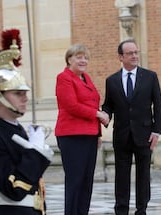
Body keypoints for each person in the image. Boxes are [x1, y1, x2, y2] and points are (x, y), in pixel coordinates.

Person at [0, 29, 53, 215]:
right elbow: (14, 188)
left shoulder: (16, 130)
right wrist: (35, 153)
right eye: (17, 94)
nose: (24, 99)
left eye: (25, 94)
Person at [101, 39, 161, 215]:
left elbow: (158, 105)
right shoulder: (111, 80)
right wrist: (105, 115)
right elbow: (108, 105)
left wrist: (156, 131)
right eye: (130, 53)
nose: (135, 56)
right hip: (121, 135)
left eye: (136, 52)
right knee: (121, 175)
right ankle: (121, 210)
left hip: (144, 134)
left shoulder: (150, 77)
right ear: (121, 57)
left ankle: (141, 209)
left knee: (143, 175)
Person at [55, 44, 108, 215]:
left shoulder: (86, 78)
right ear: (69, 59)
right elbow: (71, 106)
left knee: (86, 181)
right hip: (71, 136)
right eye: (79, 57)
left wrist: (98, 134)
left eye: (86, 57)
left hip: (89, 135)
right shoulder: (64, 78)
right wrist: (97, 114)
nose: (83, 60)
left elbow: (92, 102)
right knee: (75, 181)